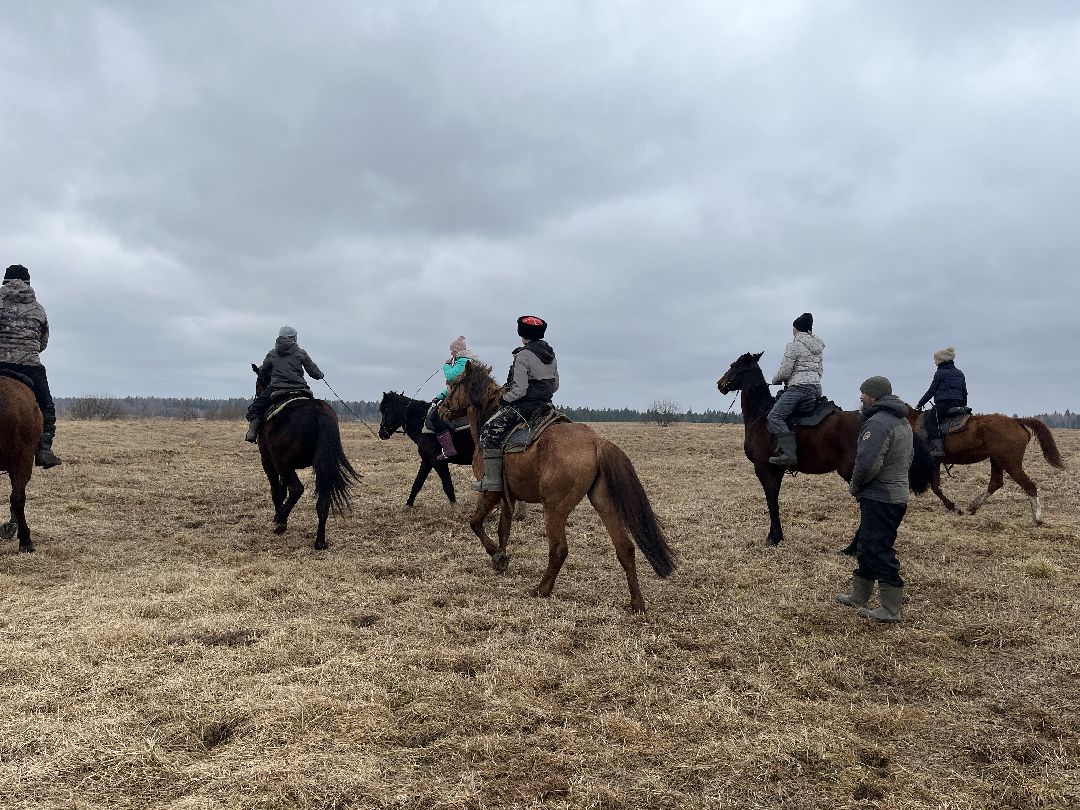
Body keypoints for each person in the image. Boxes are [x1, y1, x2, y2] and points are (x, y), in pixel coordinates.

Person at [836, 376, 913, 623]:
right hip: (894, 494)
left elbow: (867, 464)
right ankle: (859, 597)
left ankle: (891, 609)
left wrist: (855, 485)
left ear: (874, 396)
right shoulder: (902, 421)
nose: (860, 397)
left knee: (877, 548)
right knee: (867, 544)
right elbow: (908, 458)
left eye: (864, 394)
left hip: (881, 496)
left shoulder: (877, 424)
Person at [472, 316, 558, 492]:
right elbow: (555, 386)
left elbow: (519, 390)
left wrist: (504, 399)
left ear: (522, 333)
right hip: (546, 406)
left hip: (524, 407)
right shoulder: (551, 354)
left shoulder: (523, 355)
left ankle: (492, 481)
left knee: (488, 431)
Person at [0, 264, 61, 468]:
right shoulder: (38, 309)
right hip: (29, 366)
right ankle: (44, 449)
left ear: (5, 281)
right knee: (46, 407)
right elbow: (43, 342)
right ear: (28, 283)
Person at [245, 326, 324, 442]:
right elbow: (314, 372)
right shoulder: (301, 353)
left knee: (256, 407)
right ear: (294, 338)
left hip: (277, 388)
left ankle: (252, 433)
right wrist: (320, 375)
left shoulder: (272, 354)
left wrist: (260, 370)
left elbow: (263, 372)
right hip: (300, 388)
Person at [766, 312, 824, 466]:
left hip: (799, 388)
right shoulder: (818, 348)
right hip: (816, 388)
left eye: (793, 329)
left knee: (775, 416)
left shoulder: (794, 345)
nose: (792, 331)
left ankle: (789, 454)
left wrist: (775, 380)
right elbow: (820, 371)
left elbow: (785, 371)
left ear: (797, 329)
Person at [427, 335, 477, 460]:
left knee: (435, 416)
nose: (451, 353)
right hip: (460, 394)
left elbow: (451, 377)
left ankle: (448, 448)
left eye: (453, 351)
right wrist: (439, 396)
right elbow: (454, 386)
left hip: (464, 397)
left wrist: (447, 366)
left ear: (459, 351)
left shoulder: (464, 361)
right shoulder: (463, 360)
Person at [916, 346, 967, 459]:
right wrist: (963, 406)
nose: (935, 363)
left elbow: (931, 391)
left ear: (942, 360)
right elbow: (964, 392)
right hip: (958, 404)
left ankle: (938, 449)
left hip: (944, 404)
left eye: (936, 360)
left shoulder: (940, 373)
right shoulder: (959, 373)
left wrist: (920, 403)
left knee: (929, 422)